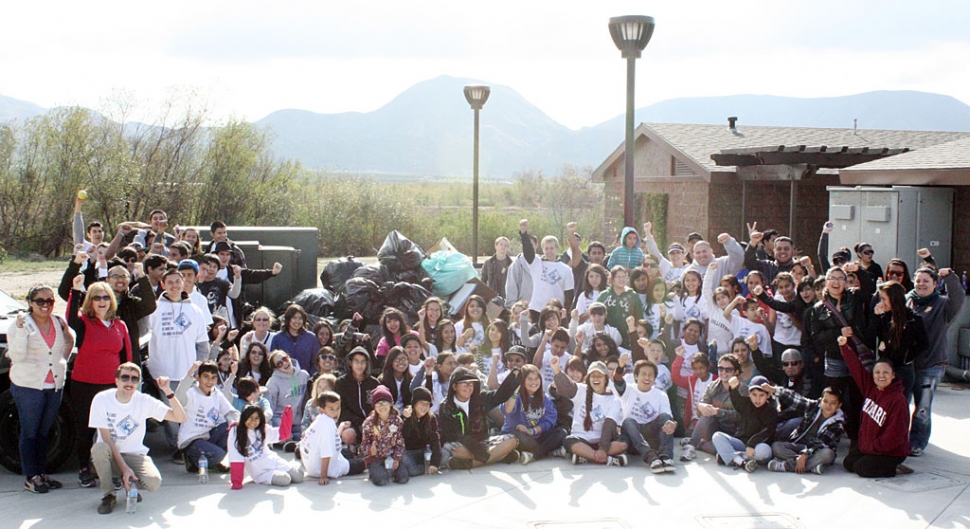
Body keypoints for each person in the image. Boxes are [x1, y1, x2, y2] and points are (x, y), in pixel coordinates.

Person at [89, 363, 186, 514]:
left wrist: (167, 391)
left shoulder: (144, 401)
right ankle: (109, 494)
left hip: (134, 455)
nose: (129, 383)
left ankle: (130, 485)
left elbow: (180, 417)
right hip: (110, 456)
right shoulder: (102, 399)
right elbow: (107, 439)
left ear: (139, 383)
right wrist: (124, 469)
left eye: (134, 379)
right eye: (125, 378)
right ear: (116, 381)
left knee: (153, 483)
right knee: (99, 449)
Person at [67, 278, 133, 489]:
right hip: (85, 384)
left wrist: (128, 383)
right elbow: (70, 319)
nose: (102, 301)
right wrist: (75, 290)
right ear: (90, 301)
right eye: (97, 297)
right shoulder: (83, 322)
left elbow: (126, 357)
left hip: (111, 386)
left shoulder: (120, 325)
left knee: (111, 431)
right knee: (86, 429)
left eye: (106, 297)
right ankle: (84, 469)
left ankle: (109, 468)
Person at [8, 285, 75, 493]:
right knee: (29, 433)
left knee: (44, 432)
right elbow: (17, 356)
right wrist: (19, 329)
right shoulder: (21, 324)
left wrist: (62, 360)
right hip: (28, 386)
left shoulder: (58, 322)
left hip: (53, 385)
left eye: (50, 301)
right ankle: (31, 476)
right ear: (30, 303)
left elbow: (69, 341)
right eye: (40, 301)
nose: (45, 305)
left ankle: (42, 473)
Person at [802, 263, 876, 440]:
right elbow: (816, 336)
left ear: (846, 281)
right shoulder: (818, 308)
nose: (836, 282)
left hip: (857, 356)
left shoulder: (855, 297)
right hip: (835, 358)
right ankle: (830, 433)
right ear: (826, 282)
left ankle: (857, 435)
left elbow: (871, 288)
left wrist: (858, 271)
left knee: (858, 396)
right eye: (832, 278)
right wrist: (837, 333)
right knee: (833, 397)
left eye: (840, 278)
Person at [148, 269, 210, 457]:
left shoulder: (195, 310)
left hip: (188, 372)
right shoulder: (154, 310)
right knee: (170, 414)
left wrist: (201, 367)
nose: (174, 286)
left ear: (183, 283)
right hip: (163, 371)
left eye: (177, 281)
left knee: (189, 411)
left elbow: (202, 343)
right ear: (163, 285)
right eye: (170, 282)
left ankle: (188, 445)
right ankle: (177, 448)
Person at [906, 267, 964, 456]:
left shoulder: (943, 305)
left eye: (926, 281)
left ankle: (917, 442)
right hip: (906, 365)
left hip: (930, 365)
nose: (921, 284)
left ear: (935, 284)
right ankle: (898, 439)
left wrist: (950, 277)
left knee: (922, 408)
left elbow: (958, 296)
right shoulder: (908, 301)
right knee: (901, 405)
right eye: (918, 280)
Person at [839, 335, 911, 477]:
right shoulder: (871, 388)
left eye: (886, 372)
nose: (881, 376)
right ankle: (876, 461)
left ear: (893, 375)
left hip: (890, 451)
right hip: (870, 446)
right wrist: (844, 347)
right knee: (849, 463)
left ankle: (895, 467)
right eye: (877, 372)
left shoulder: (898, 400)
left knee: (862, 468)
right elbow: (856, 368)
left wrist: (872, 447)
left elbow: (895, 435)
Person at [437, 364, 522, 469]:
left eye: (471, 384)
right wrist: (476, 449)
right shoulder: (446, 406)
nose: (468, 387)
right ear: (454, 386)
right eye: (464, 383)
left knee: (513, 440)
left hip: (482, 442)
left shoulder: (480, 399)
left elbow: (500, 396)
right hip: (461, 443)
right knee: (455, 450)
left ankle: (471, 463)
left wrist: (513, 378)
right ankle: (499, 456)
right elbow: (450, 434)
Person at [552, 357, 628, 466]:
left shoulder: (614, 400)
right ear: (588, 378)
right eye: (593, 376)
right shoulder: (581, 390)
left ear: (606, 379)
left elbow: (609, 426)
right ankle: (607, 459)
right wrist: (557, 371)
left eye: (600, 376)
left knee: (623, 443)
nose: (596, 378)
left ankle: (586, 457)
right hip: (581, 439)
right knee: (568, 441)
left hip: (603, 442)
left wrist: (603, 448)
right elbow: (567, 387)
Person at [867, 281, 928, 403]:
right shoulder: (883, 316)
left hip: (903, 369)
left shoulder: (913, 319)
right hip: (884, 367)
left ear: (894, 299)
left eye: (884, 299)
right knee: (883, 404)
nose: (881, 302)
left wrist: (906, 357)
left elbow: (923, 344)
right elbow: (870, 337)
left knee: (900, 405)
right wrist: (875, 317)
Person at [765, 385, 845, 474]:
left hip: (818, 450)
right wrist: (775, 390)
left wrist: (804, 455)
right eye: (825, 401)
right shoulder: (813, 407)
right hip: (800, 446)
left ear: (839, 405)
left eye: (833, 403)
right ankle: (812, 466)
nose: (828, 406)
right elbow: (797, 400)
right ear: (820, 400)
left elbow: (820, 442)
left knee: (827, 454)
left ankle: (787, 466)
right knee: (776, 446)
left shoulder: (838, 424)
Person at [615, 359, 677, 473]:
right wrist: (620, 366)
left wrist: (672, 424)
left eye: (650, 375)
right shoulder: (628, 390)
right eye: (643, 374)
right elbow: (618, 380)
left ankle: (666, 457)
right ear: (635, 376)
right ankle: (651, 458)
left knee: (665, 418)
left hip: (652, 438)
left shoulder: (661, 395)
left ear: (655, 378)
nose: (647, 378)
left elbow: (667, 416)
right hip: (633, 439)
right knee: (628, 421)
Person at [175, 361, 238, 472]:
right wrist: (188, 375)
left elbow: (231, 413)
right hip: (191, 440)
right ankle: (193, 460)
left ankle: (212, 461)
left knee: (231, 429)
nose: (209, 381)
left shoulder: (216, 394)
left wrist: (237, 425)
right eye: (206, 377)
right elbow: (178, 398)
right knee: (219, 455)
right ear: (198, 377)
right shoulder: (191, 393)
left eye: (213, 378)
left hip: (208, 436)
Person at [679, 353, 742, 462]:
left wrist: (717, 412)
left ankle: (698, 443)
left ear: (736, 371)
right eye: (721, 369)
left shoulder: (742, 390)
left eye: (728, 370)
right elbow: (701, 409)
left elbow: (740, 415)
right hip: (715, 429)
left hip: (734, 433)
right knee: (707, 413)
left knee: (721, 449)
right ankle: (691, 446)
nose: (723, 373)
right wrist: (701, 406)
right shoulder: (712, 386)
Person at [500, 364, 566, 464]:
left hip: (534, 435)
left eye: (536, 378)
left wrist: (531, 431)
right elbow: (507, 411)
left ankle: (534, 455)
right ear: (522, 381)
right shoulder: (515, 396)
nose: (534, 382)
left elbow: (549, 421)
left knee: (561, 432)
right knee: (521, 437)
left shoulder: (544, 398)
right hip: (517, 435)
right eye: (529, 379)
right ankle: (547, 451)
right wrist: (514, 392)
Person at [711, 375, 777, 472]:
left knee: (764, 451)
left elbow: (767, 431)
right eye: (754, 394)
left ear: (767, 395)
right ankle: (742, 462)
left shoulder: (771, 410)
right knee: (717, 436)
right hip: (742, 443)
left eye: (761, 395)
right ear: (749, 394)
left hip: (758, 446)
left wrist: (752, 444)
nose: (757, 399)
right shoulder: (746, 404)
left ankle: (731, 457)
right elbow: (736, 399)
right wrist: (733, 387)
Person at [228, 405, 303, 488]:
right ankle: (279, 474)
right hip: (260, 471)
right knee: (285, 480)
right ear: (244, 418)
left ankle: (283, 470)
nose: (253, 421)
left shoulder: (263, 428)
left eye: (257, 418)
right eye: (250, 417)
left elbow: (282, 434)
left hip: (273, 462)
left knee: (299, 477)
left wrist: (287, 416)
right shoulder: (235, 432)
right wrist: (236, 482)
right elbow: (235, 458)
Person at [300, 391, 366, 485]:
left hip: (311, 466)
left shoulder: (320, 419)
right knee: (362, 463)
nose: (336, 412)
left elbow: (333, 438)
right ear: (322, 410)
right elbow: (326, 454)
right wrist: (323, 476)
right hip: (322, 469)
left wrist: (341, 427)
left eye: (338, 408)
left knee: (347, 453)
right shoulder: (327, 425)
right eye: (331, 409)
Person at [519, 219, 575, 318]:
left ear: (557, 249)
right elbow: (528, 251)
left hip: (555, 312)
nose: (549, 251)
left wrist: (565, 313)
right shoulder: (536, 263)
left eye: (552, 248)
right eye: (546, 248)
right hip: (536, 309)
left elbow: (569, 294)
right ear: (543, 249)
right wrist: (524, 233)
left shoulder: (565, 269)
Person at [360, 386, 409, 486]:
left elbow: (400, 443)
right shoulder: (369, 423)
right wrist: (370, 449)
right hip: (375, 458)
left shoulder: (397, 421)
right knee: (382, 481)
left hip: (391, 456)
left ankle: (393, 472)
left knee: (403, 479)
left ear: (391, 403)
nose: (382, 406)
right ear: (374, 406)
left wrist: (397, 458)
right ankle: (375, 473)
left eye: (384, 402)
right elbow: (364, 444)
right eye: (378, 403)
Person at [334, 346, 380, 440]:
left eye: (363, 362)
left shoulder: (374, 383)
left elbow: (379, 404)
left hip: (371, 422)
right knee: (348, 434)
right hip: (352, 423)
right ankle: (353, 449)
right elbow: (341, 408)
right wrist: (359, 422)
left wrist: (372, 417)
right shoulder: (341, 382)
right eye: (357, 361)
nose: (360, 365)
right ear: (350, 363)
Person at [266, 350, 309, 444]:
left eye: (285, 359)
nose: (284, 363)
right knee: (285, 437)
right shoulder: (273, 382)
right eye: (279, 364)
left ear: (289, 357)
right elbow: (270, 408)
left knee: (309, 435)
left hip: (299, 422)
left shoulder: (304, 375)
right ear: (276, 368)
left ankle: (294, 440)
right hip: (280, 420)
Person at [597, 266, 643, 349]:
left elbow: (639, 317)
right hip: (608, 338)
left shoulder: (633, 295)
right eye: (618, 277)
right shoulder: (604, 295)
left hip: (628, 338)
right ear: (612, 279)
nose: (622, 279)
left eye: (624, 276)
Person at [401, 387, 443, 476]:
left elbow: (435, 440)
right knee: (411, 468)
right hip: (408, 452)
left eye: (427, 404)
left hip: (424, 450)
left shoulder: (431, 418)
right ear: (414, 404)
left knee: (445, 455)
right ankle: (424, 467)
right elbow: (405, 435)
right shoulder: (405, 417)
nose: (424, 407)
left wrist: (435, 463)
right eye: (421, 403)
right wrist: (407, 419)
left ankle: (430, 466)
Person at [269, 304, 318, 376]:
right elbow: (273, 363)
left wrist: (309, 378)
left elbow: (316, 362)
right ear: (288, 319)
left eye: (300, 318)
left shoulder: (311, 338)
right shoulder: (277, 338)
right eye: (294, 318)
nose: (297, 321)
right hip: (284, 381)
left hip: (305, 381)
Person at [379, 346, 413, 412]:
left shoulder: (411, 379)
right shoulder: (382, 380)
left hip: (407, 415)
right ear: (391, 362)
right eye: (397, 360)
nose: (401, 362)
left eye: (403, 359)